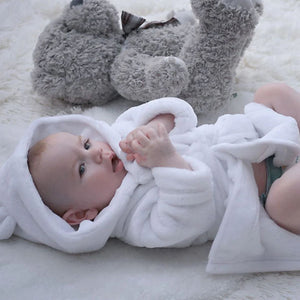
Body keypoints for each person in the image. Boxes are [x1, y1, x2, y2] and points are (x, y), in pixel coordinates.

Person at [1, 83, 300, 274]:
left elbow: (176, 113)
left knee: (272, 94)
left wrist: (155, 126)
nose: (96, 154)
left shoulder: (123, 137)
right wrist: (166, 160)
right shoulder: (134, 222)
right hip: (263, 193)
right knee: (283, 200)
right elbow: (189, 219)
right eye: (81, 169)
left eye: (86, 144)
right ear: (81, 213)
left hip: (259, 138)